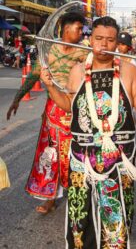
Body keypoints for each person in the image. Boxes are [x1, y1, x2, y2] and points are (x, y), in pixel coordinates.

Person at [40, 16, 136, 248]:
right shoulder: (78, 70)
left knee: (115, 212)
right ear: (90, 39)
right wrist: (50, 85)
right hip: (81, 155)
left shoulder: (128, 70)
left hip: (119, 155)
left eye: (110, 40)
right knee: (80, 215)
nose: (104, 45)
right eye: (99, 38)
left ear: (117, 43)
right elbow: (69, 105)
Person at [6, 12, 88, 214]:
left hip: (77, 110)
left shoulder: (84, 52)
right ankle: (50, 198)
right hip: (53, 111)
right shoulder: (49, 50)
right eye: (78, 28)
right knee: (50, 156)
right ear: (66, 28)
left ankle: (80, 197)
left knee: (76, 156)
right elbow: (34, 73)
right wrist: (17, 98)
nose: (81, 32)